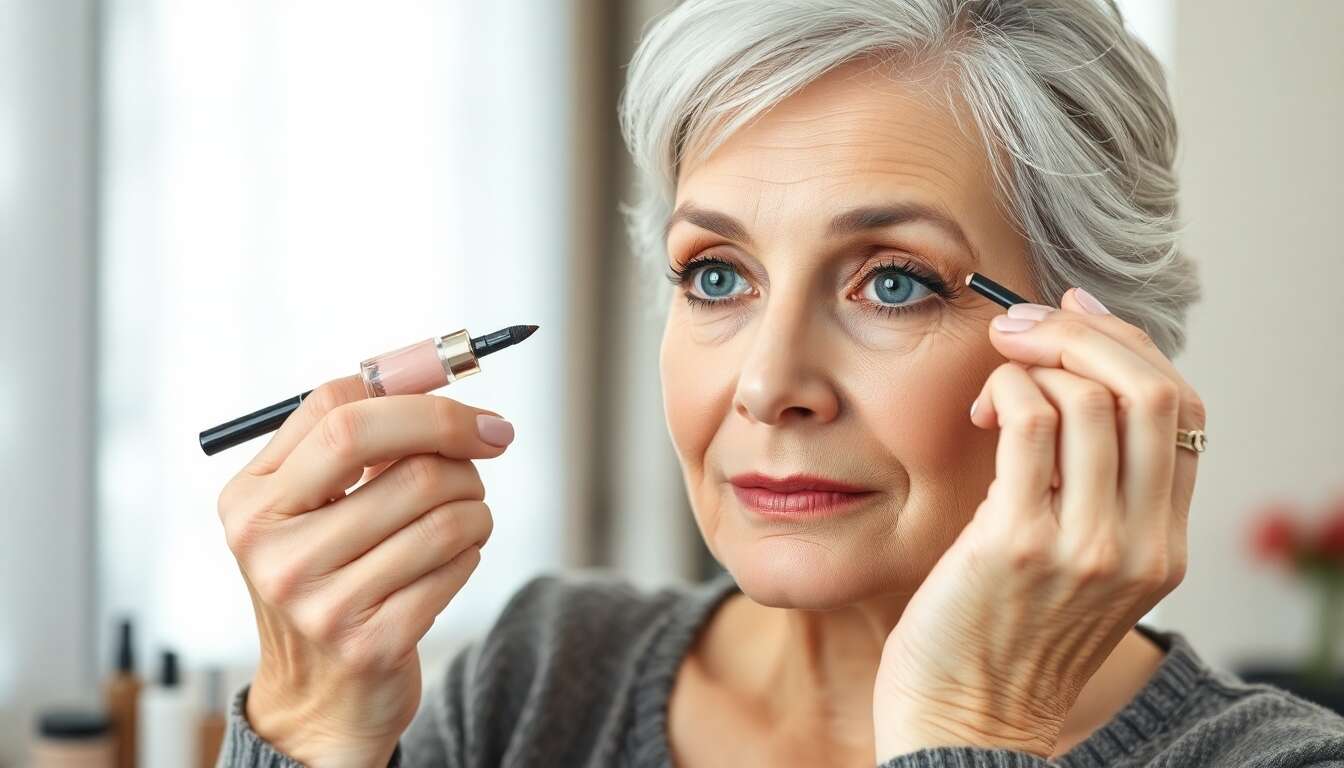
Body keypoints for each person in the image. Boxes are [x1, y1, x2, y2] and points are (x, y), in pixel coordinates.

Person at [216, 1, 1344, 766]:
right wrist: (310, 722)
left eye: (893, 285)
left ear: (1098, 343)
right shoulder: (542, 680)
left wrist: (968, 729)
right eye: (717, 274)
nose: (768, 385)